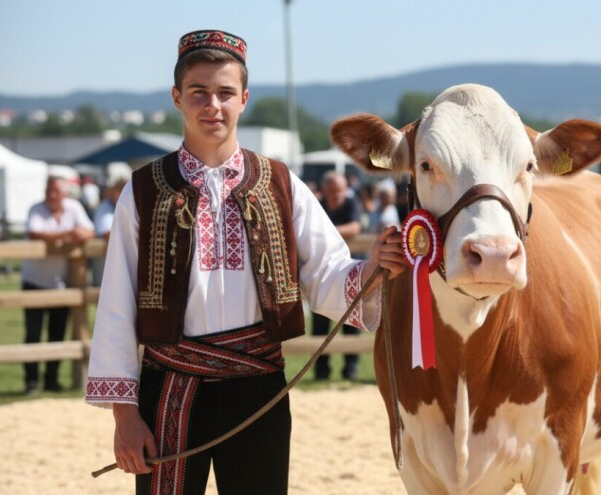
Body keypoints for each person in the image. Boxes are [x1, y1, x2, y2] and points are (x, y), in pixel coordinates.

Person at [85, 30, 405, 494]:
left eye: (225, 93)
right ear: (177, 97)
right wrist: (125, 414)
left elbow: (325, 274)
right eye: (198, 92)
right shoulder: (144, 190)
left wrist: (373, 265)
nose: (212, 104)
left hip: (258, 387)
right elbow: (116, 305)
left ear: (244, 99)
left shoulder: (280, 182)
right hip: (172, 387)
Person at [22, 176, 95, 393]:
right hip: (34, 281)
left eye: (56, 191)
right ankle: (31, 381)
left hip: (61, 283)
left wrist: (69, 236)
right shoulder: (36, 208)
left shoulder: (74, 207)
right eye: (49, 190)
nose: (51, 195)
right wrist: (67, 234)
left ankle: (51, 380)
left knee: (57, 334)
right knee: (33, 335)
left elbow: (89, 231)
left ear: (65, 193)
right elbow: (34, 233)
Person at [312, 170, 364, 381]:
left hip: (350, 273)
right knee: (319, 325)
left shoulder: (351, 203)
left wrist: (327, 231)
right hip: (323, 274)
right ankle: (321, 371)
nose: (337, 194)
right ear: (325, 190)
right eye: (332, 190)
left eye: (340, 190)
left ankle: (350, 369)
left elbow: (355, 227)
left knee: (352, 322)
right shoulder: (317, 205)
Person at [91, 178, 127, 286]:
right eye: (120, 190)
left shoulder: (133, 207)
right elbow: (107, 233)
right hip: (107, 273)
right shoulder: (105, 207)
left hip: (123, 270)